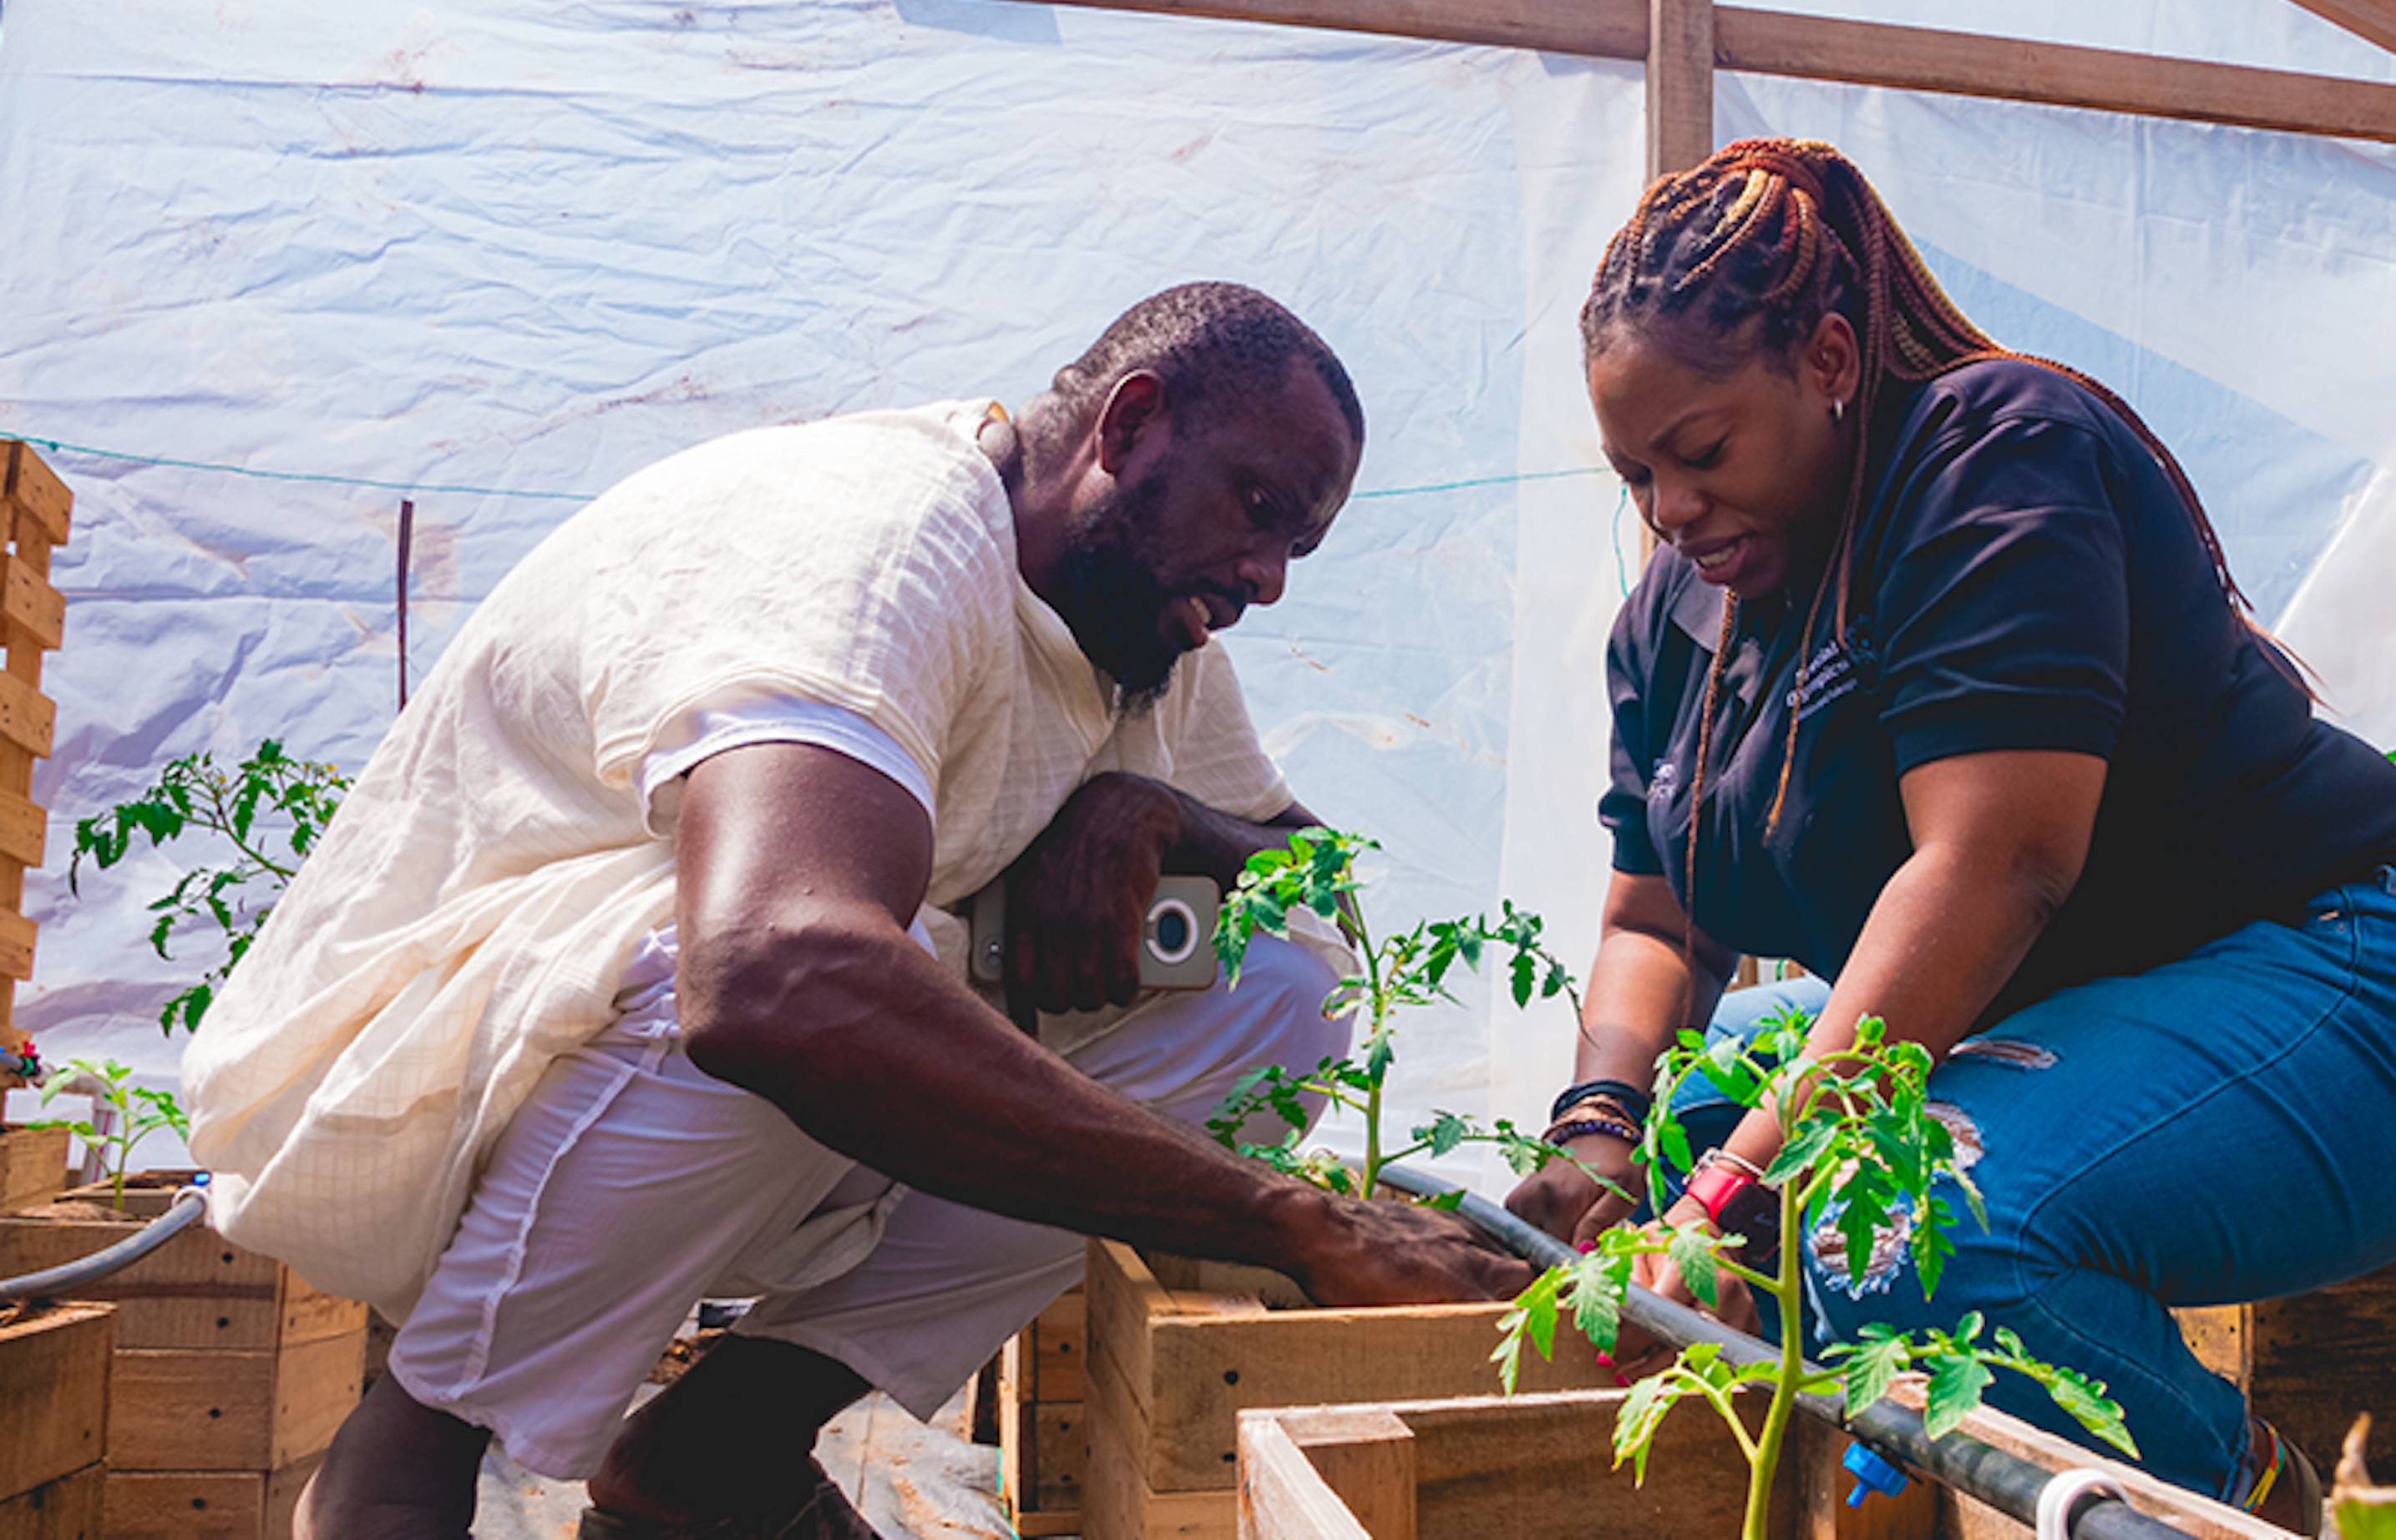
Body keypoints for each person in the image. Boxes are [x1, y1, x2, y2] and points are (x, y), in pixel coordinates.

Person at [180, 283, 1531, 1540]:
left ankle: (721, 1446)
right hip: (421, 1087)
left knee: (1280, 981)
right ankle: (409, 1454)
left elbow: (1316, 878)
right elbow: (769, 979)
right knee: (804, 964)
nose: (1270, 576)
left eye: (1298, 541)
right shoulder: (877, 544)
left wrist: (1159, 814)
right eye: (1256, 506)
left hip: (707, 1124)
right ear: (1128, 426)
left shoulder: (1137, 625)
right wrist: (1303, 1220)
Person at [1504, 142, 2396, 1527]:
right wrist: (1600, 1137)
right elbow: (1654, 923)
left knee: (1896, 1235)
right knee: (1685, 1136)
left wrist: (1739, 1192)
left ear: (1825, 358)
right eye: (1636, 475)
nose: (1670, 512)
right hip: (2094, 1009)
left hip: (2349, 987)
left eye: (1701, 453)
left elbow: (1994, 866)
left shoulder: (1987, 455)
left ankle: (2252, 1500)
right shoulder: (1678, 620)